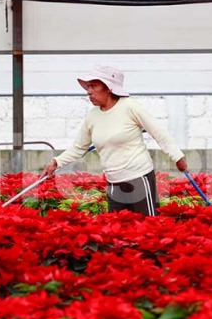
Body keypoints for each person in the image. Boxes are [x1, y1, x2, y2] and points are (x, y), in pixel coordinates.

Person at [41, 65, 187, 216]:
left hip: (139, 178)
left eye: (93, 86)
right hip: (114, 183)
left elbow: (159, 133)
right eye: (88, 86)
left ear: (109, 88)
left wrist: (177, 157)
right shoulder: (92, 116)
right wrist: (55, 162)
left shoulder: (130, 107)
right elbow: (78, 147)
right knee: (117, 230)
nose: (88, 91)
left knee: (148, 226)